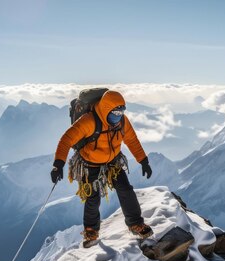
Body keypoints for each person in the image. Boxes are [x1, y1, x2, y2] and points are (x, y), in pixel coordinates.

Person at [50, 90, 153, 247]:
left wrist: (143, 160)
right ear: (105, 109)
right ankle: (91, 231)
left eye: (121, 112)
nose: (118, 116)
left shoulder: (122, 122)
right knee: (93, 197)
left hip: (113, 162)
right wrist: (58, 164)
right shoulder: (89, 121)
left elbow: (132, 140)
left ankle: (135, 224)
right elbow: (66, 140)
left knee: (126, 189)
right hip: (89, 164)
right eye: (115, 112)